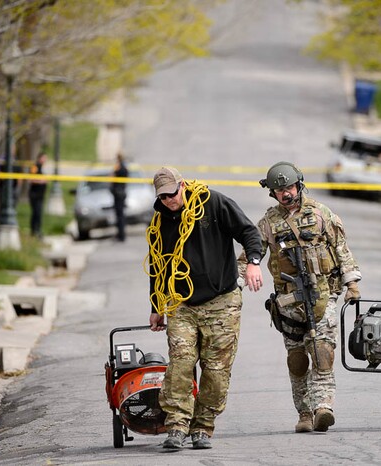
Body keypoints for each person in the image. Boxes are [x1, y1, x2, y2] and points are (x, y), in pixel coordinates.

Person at [146, 166, 264, 451]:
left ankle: (202, 426)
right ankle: (176, 425)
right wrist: (156, 305)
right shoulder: (160, 220)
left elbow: (249, 232)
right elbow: (158, 266)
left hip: (221, 302)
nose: (169, 200)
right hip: (181, 303)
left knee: (215, 370)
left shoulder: (213, 203)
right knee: (181, 363)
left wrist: (253, 263)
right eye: (162, 197)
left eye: (172, 194)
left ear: (183, 186)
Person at [239, 161, 361, 434]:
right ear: (272, 193)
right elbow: (249, 255)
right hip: (288, 302)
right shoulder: (269, 223)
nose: (285, 193)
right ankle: (304, 413)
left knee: (322, 352)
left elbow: (341, 248)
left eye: (289, 187)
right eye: (279, 190)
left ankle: (323, 408)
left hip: (322, 295)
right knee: (297, 359)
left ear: (299, 184)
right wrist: (239, 280)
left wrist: (351, 282)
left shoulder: (321, 214)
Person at [27, 152, 48, 238]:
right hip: (35, 195)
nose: (45, 160)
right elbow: (30, 179)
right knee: (36, 213)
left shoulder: (41, 168)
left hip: (40, 195)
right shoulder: (35, 167)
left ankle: (37, 230)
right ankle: (34, 231)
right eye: (44, 158)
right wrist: (41, 181)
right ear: (39, 158)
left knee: (38, 214)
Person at [110, 153, 129, 241]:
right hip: (121, 192)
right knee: (120, 215)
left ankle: (121, 235)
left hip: (118, 193)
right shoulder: (125, 167)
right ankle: (121, 234)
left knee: (120, 215)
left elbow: (113, 176)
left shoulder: (119, 167)